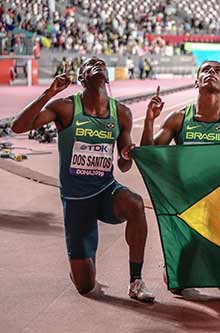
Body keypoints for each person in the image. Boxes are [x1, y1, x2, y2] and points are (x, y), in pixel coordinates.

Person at [11, 57, 155, 302]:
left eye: (101, 64)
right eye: (90, 64)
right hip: (76, 199)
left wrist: (126, 153)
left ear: (108, 77)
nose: (97, 65)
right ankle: (81, 265)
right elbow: (18, 127)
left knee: (135, 203)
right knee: (86, 287)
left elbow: (123, 163)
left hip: (105, 190)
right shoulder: (66, 108)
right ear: (81, 78)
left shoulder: (121, 113)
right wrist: (48, 93)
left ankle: (136, 281)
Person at [140, 60, 220, 297]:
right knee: (177, 283)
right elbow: (149, 156)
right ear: (196, 81)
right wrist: (150, 120)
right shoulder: (179, 119)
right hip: (187, 203)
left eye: (217, 71)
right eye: (206, 70)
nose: (211, 73)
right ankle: (188, 252)